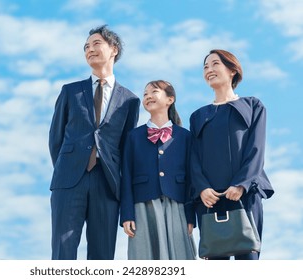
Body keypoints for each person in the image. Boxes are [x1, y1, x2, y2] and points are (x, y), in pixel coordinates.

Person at [48, 25, 140, 260]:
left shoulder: (130, 100)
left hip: (107, 183)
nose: (90, 49)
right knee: (63, 251)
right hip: (69, 181)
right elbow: (55, 139)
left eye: (96, 43)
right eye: (86, 47)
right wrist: (67, 169)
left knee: (102, 255)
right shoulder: (70, 92)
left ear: (114, 50)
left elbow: (125, 147)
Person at [190, 49, 275, 260]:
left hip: (245, 195)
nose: (209, 69)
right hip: (210, 200)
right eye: (205, 67)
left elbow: (257, 149)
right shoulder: (198, 116)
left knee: (247, 262)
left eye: (215, 64)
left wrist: (241, 184)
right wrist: (202, 188)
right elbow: (193, 158)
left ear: (232, 70)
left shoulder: (253, 105)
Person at [120, 80, 196, 260]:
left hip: (177, 205)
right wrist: (127, 214)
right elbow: (126, 176)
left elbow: (192, 179)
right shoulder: (133, 136)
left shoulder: (185, 136)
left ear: (170, 99)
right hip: (142, 206)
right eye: (145, 94)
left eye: (154, 92)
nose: (148, 96)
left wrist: (191, 215)